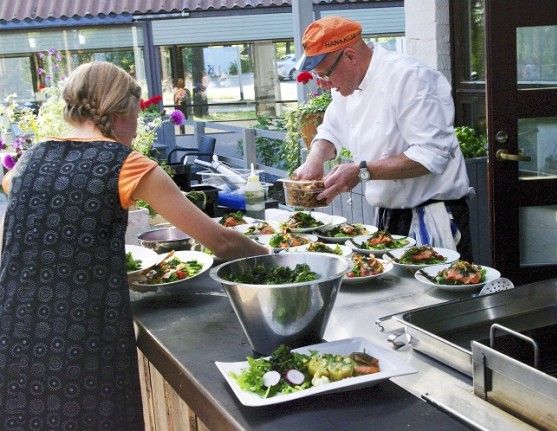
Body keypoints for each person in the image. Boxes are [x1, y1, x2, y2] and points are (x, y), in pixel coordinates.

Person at [0, 61, 269, 430]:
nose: (139, 123)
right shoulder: (126, 164)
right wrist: (271, 256)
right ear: (121, 110)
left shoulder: (28, 160)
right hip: (84, 343)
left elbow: (30, 211)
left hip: (17, 335)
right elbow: (219, 240)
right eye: (138, 112)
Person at [293, 16, 473, 261]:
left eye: (325, 74)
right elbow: (330, 131)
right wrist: (314, 159)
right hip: (389, 215)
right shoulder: (347, 87)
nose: (324, 85)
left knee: (439, 295)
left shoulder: (409, 77)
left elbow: (432, 154)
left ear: (349, 56)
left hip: (434, 216)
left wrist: (360, 171)